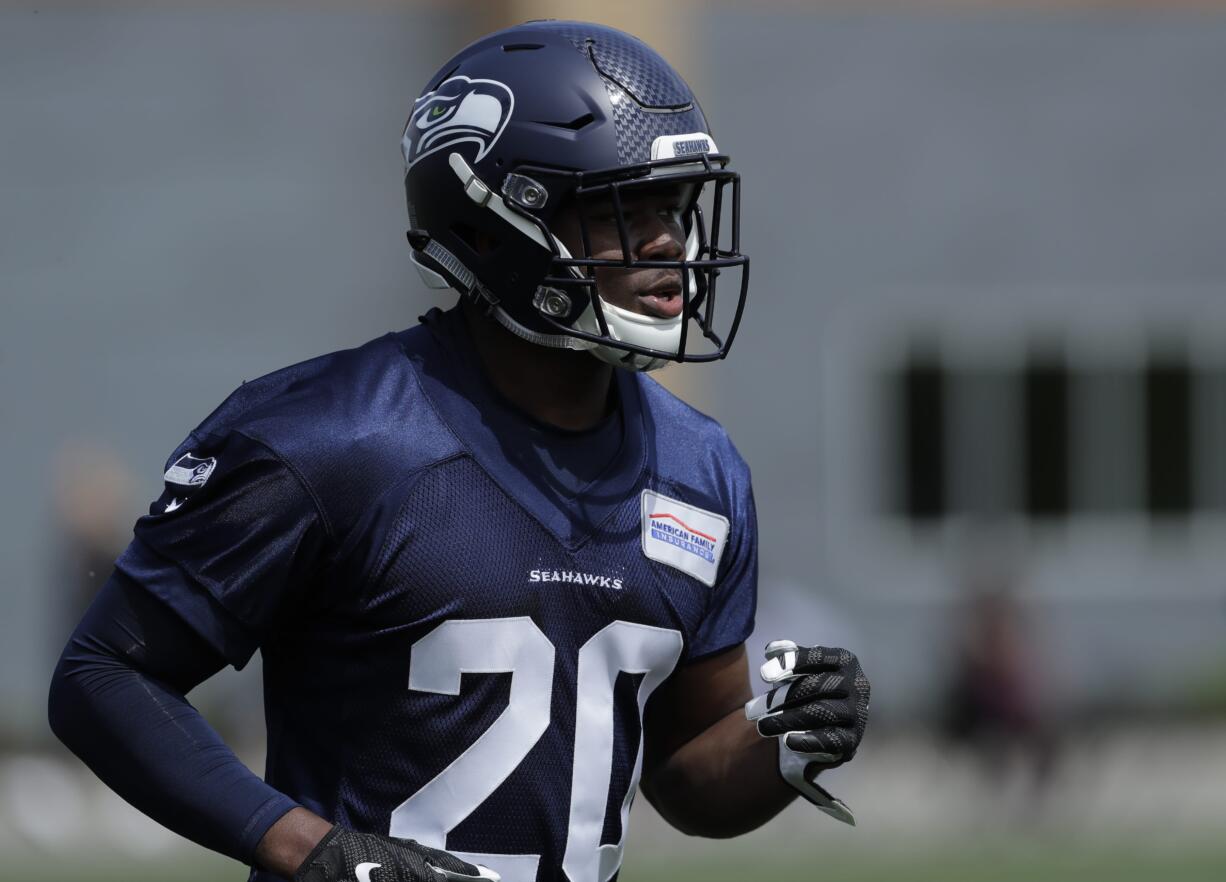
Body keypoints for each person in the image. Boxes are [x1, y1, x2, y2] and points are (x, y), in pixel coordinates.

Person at [48, 20, 870, 882]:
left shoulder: (702, 470)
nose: (668, 242)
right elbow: (105, 675)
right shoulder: (331, 436)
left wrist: (784, 740)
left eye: (673, 204)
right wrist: (311, 849)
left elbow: (685, 773)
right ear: (488, 227)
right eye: (618, 208)